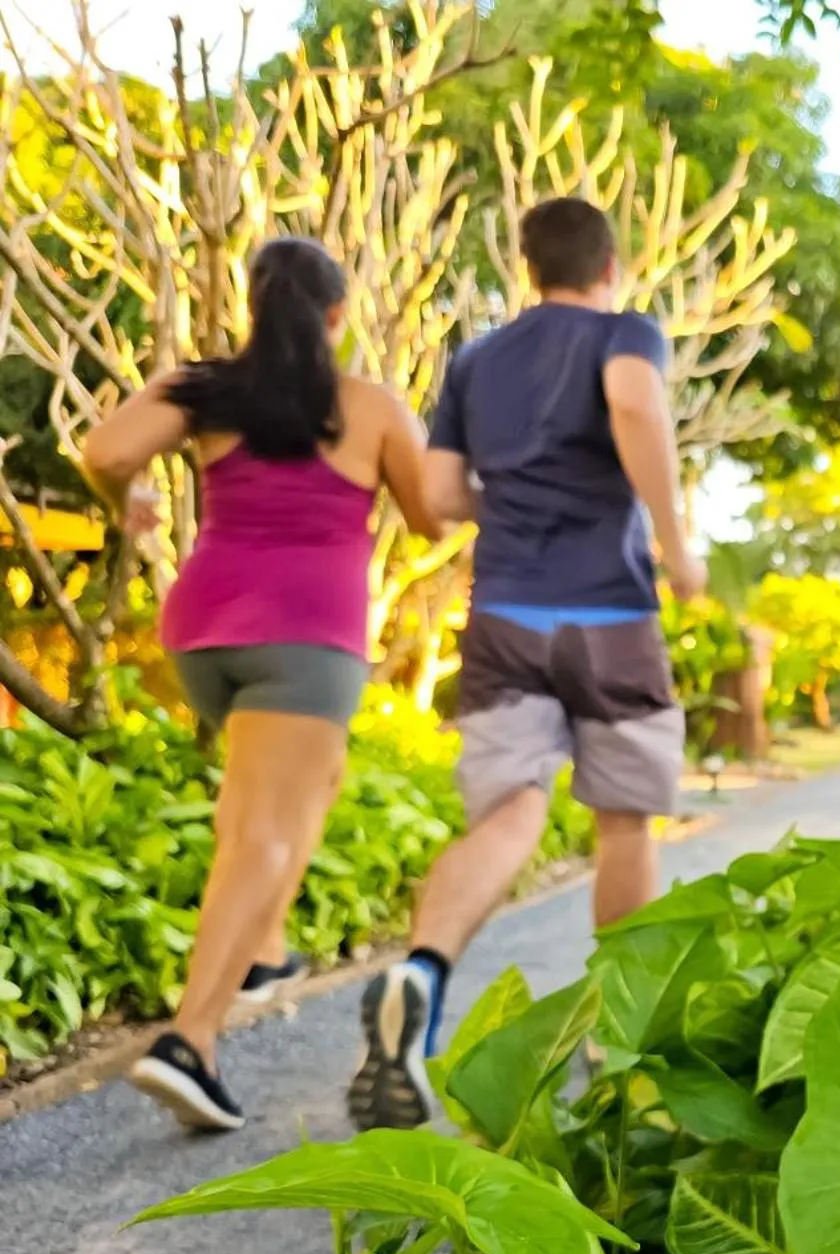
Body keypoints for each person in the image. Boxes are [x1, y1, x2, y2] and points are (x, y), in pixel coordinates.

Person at [345, 197, 705, 1132]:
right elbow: (633, 401)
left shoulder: (478, 359)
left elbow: (439, 491)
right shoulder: (628, 332)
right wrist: (674, 540)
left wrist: (511, 499)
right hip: (610, 613)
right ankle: (615, 1037)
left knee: (510, 814)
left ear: (527, 265)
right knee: (624, 827)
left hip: (504, 615)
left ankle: (419, 977)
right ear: (610, 263)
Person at [81, 237, 444, 1131]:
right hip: (306, 638)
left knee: (294, 792)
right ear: (336, 316)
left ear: (256, 306)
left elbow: (103, 451)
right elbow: (433, 517)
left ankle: (265, 950)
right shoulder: (369, 405)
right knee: (267, 837)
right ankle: (191, 1042)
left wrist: (124, 503)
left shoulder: (205, 390)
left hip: (206, 632)